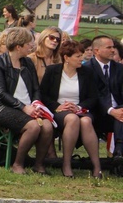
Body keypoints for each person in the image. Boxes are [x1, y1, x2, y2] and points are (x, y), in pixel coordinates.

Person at [0, 27, 53, 175]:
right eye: (29, 44)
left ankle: (38, 164)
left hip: (27, 106)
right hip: (0, 106)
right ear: (18, 46)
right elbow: (1, 94)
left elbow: (36, 89)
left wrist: (35, 104)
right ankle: (17, 164)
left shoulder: (28, 62)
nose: (32, 46)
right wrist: (23, 107)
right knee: (33, 126)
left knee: (47, 126)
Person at [40, 40, 102, 178]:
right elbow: (43, 94)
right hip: (59, 111)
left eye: (82, 55)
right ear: (66, 58)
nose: (82, 59)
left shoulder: (87, 72)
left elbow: (93, 97)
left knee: (85, 122)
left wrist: (78, 107)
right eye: (78, 56)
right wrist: (58, 106)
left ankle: (97, 166)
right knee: (72, 119)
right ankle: (66, 163)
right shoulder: (52, 71)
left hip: (81, 110)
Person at [88, 35, 123, 160]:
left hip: (119, 111)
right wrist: (111, 110)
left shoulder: (119, 69)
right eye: (109, 47)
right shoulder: (87, 69)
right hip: (97, 112)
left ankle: (118, 153)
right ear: (96, 51)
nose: (113, 50)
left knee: (121, 114)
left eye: (113, 47)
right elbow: (93, 96)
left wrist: (118, 110)